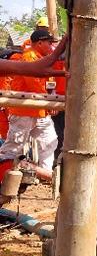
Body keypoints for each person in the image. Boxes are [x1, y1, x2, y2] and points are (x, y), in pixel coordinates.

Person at [0, 30, 60, 170]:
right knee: (14, 147)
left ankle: (45, 174)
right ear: (40, 42)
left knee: (48, 142)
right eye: (49, 43)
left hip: (39, 111)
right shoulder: (29, 57)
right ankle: (5, 177)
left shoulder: (42, 59)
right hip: (24, 111)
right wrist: (49, 103)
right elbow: (35, 84)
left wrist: (50, 100)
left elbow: (48, 85)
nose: (51, 47)